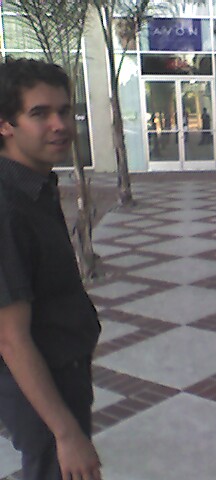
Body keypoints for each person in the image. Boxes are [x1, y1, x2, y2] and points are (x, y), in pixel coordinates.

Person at [0, 58, 102, 480]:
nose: (59, 124)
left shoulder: (36, 185)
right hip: (39, 386)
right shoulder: (7, 207)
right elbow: (10, 338)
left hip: (64, 370)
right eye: (39, 113)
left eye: (65, 111)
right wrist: (66, 433)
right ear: (5, 124)